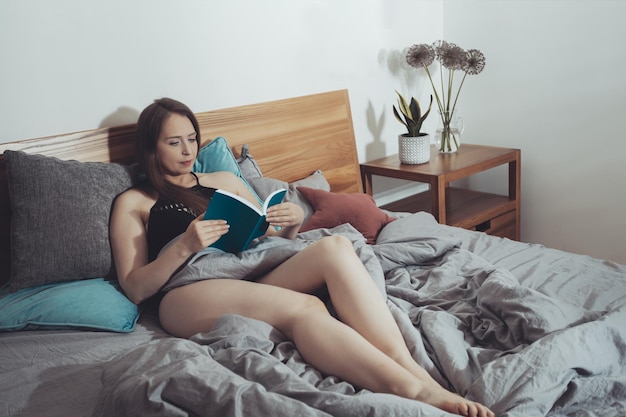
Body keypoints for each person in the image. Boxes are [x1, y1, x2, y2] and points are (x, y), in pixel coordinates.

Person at [110, 97, 495, 417]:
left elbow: (264, 236)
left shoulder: (223, 182)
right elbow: (134, 288)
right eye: (173, 142)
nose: (188, 150)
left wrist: (291, 224)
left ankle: (411, 368)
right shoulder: (136, 202)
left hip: (247, 268)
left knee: (336, 247)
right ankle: (411, 390)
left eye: (192, 139)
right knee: (307, 307)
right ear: (151, 147)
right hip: (189, 290)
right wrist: (183, 245)